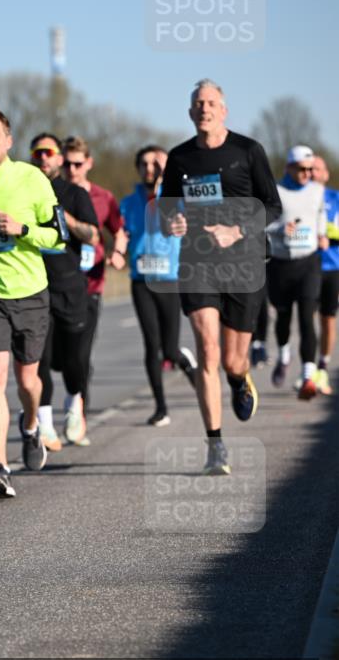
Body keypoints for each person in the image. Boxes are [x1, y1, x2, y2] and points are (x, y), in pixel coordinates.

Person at [160, 79, 282, 476]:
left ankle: (240, 377)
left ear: (224, 110)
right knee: (208, 351)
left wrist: (237, 232)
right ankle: (216, 444)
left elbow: (272, 207)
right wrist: (172, 222)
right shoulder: (179, 158)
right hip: (196, 265)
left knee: (231, 360)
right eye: (198, 103)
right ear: (190, 111)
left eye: (211, 103)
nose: (204, 109)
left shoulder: (248, 151)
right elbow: (164, 210)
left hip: (243, 266)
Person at [0, 106, 65, 498]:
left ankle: (30, 427)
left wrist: (21, 229)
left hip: (30, 291)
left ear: (8, 139)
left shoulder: (32, 177)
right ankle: (0, 468)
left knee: (27, 381)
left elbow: (57, 237)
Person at [117, 145, 197, 426]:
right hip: (141, 281)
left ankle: (185, 362)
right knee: (152, 346)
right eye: (144, 164)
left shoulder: (177, 199)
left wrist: (183, 224)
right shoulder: (127, 202)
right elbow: (121, 233)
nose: (149, 169)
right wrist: (118, 250)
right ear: (138, 169)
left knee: (170, 351)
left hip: (170, 280)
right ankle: (161, 407)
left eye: (156, 164)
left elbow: (189, 224)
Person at [29, 132, 99, 448]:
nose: (44, 158)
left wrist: (64, 218)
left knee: (74, 361)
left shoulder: (74, 193)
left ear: (59, 157)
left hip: (71, 288)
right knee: (40, 361)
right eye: (38, 153)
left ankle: (74, 404)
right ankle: (44, 424)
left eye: (49, 153)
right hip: (36, 288)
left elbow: (93, 236)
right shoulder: (25, 192)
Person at [61, 135, 123, 422]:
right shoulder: (51, 193)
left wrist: (119, 252)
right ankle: (75, 384)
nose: (71, 170)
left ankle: (79, 409)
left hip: (91, 283)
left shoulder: (103, 197)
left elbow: (118, 229)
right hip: (58, 283)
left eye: (77, 164)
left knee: (82, 352)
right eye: (66, 163)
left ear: (88, 163)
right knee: (61, 357)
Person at [267, 145, 327, 399]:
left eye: (310, 169)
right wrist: (282, 230)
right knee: (283, 318)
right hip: (281, 263)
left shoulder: (317, 190)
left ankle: (307, 376)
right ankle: (283, 355)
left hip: (308, 262)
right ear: (288, 167)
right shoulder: (276, 191)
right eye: (301, 169)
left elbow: (320, 213)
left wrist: (322, 233)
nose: (306, 174)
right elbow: (262, 224)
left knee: (306, 318)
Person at [311, 154, 339, 393]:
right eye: (310, 169)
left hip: (332, 267)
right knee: (305, 320)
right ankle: (307, 371)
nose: (313, 173)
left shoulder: (335, 198)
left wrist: (329, 235)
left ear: (326, 174)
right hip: (304, 268)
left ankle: (322, 368)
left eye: (318, 169)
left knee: (328, 320)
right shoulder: (297, 198)